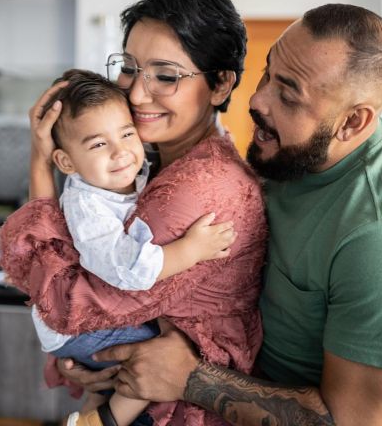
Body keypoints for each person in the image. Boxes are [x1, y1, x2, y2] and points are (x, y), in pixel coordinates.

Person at [87, 4, 382, 426]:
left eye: (288, 95)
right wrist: (118, 362)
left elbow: (356, 422)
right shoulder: (289, 157)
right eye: (267, 73)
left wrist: (189, 377)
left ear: (353, 122)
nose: (257, 100)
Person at [0, 0, 268, 426]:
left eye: (165, 75)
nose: (137, 94)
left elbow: (68, 306)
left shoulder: (194, 190)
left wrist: (40, 165)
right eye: (129, 67)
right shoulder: (152, 163)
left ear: (220, 84)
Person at [28, 68, 237, 426]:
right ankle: (104, 421)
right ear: (65, 162)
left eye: (127, 133)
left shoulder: (123, 177)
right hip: (78, 327)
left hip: (80, 322)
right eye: (98, 144)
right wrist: (192, 249)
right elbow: (128, 269)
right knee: (158, 348)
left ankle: (93, 406)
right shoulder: (87, 207)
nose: (121, 151)